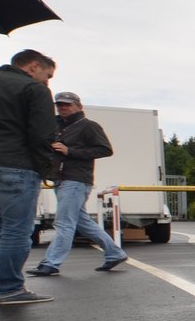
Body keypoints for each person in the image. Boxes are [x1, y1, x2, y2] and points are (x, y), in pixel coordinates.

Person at [0, 50, 57, 305]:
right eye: (47, 75)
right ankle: (10, 288)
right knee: (17, 229)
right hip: (16, 165)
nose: (47, 81)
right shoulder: (34, 89)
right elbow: (42, 134)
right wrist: (47, 169)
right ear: (33, 66)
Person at [29, 90, 128, 276]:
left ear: (78, 106)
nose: (63, 108)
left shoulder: (89, 126)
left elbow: (105, 149)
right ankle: (115, 253)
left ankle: (51, 263)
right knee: (82, 222)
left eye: (68, 104)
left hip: (76, 180)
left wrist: (70, 151)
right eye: (60, 105)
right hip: (61, 179)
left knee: (64, 223)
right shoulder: (56, 126)